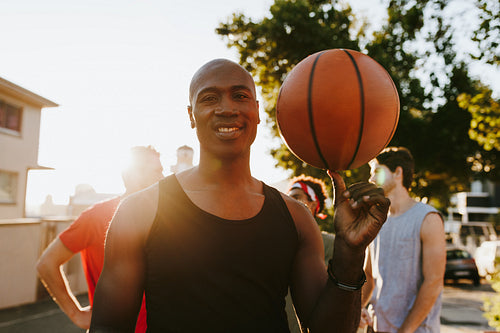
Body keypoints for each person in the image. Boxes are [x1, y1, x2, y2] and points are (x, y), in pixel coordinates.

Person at [90, 59, 390, 333]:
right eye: (209, 98)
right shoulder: (140, 211)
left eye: (240, 95)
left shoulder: (295, 217)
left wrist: (350, 253)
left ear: (257, 111)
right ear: (191, 115)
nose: (227, 108)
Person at [36, 145, 164, 332]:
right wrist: (76, 314)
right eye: (157, 171)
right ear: (133, 175)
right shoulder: (97, 216)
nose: (163, 177)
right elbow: (47, 263)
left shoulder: (164, 218)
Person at [361, 147, 446, 332]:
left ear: (398, 172)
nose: (371, 179)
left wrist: (404, 330)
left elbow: (433, 282)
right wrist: (358, 307)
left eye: (376, 171)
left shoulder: (428, 218)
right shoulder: (376, 220)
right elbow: (368, 274)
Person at [285, 175, 335, 332]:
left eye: (296, 197)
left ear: (313, 204)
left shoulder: (330, 244)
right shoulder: (275, 241)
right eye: (288, 198)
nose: (289, 203)